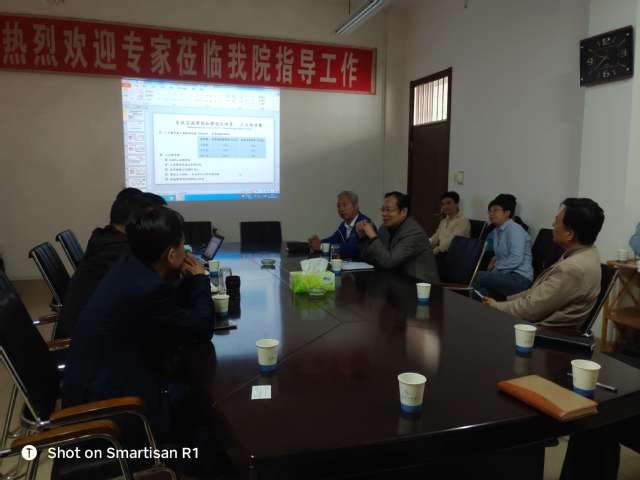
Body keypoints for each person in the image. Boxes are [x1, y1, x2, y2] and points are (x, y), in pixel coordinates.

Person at [62, 206, 215, 440]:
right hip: (112, 411)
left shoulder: (130, 265)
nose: (185, 252)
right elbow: (200, 329)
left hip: (95, 385)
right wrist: (200, 280)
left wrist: (184, 281)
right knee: (203, 407)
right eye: (182, 246)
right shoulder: (147, 289)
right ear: (170, 255)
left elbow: (169, 313)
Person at [485, 198, 604, 328]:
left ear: (569, 234)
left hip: (544, 333)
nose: (553, 224)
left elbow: (530, 310)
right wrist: (505, 301)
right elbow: (537, 295)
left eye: (557, 221)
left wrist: (496, 306)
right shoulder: (586, 252)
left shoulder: (572, 269)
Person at [57, 192, 152, 338]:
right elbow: (147, 288)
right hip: (88, 338)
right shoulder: (120, 251)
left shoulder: (104, 239)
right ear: (135, 224)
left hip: (88, 325)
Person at [356, 191, 439, 282]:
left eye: (388, 210)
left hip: (419, 285)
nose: (384, 214)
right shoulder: (384, 228)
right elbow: (375, 258)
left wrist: (372, 235)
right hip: (396, 280)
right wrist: (363, 238)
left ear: (403, 211)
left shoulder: (414, 232)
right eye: (383, 210)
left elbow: (388, 262)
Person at [473, 196, 533, 300]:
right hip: (505, 276)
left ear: (507, 213)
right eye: (490, 211)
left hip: (519, 278)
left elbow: (516, 259)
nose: (491, 214)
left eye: (495, 210)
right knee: (481, 293)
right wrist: (494, 260)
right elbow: (501, 254)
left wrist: (495, 267)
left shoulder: (514, 229)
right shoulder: (497, 231)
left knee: (477, 276)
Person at [308, 190, 372, 260]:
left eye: (344, 205)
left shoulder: (364, 223)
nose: (341, 209)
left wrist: (321, 247)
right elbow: (333, 239)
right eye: (338, 206)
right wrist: (317, 243)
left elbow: (350, 249)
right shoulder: (343, 225)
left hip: (364, 265)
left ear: (356, 206)